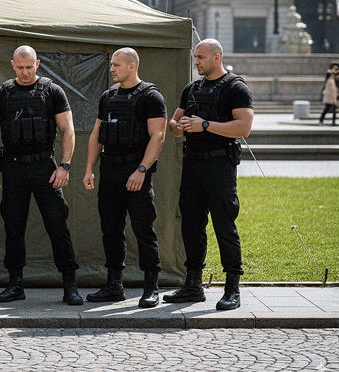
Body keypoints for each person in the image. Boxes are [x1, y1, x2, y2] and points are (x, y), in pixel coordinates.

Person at [0, 46, 82, 306]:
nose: (25, 72)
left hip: (45, 167)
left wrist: (65, 166)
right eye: (20, 67)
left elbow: (68, 129)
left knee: (57, 224)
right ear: (12, 65)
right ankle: (15, 284)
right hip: (13, 168)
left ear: (37, 64)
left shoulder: (53, 91)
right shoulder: (2, 94)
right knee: (13, 226)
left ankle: (70, 285)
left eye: (29, 67)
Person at [165, 39, 253, 310]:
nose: (196, 62)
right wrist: (178, 126)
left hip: (220, 167)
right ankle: (193, 286)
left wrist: (204, 125)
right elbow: (174, 123)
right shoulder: (192, 89)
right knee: (191, 226)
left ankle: (232, 289)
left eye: (201, 57)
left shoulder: (236, 87)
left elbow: (244, 127)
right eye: (195, 57)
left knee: (224, 227)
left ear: (217, 57)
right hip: (192, 166)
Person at [83, 48, 166, 308]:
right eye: (112, 64)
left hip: (135, 171)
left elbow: (158, 136)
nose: (112, 69)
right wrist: (89, 168)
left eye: (116, 65)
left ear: (132, 66)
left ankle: (151, 287)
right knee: (111, 230)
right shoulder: (108, 96)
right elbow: (97, 134)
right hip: (110, 171)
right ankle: (114, 285)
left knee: (143, 230)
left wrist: (141, 170)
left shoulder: (151, 96)